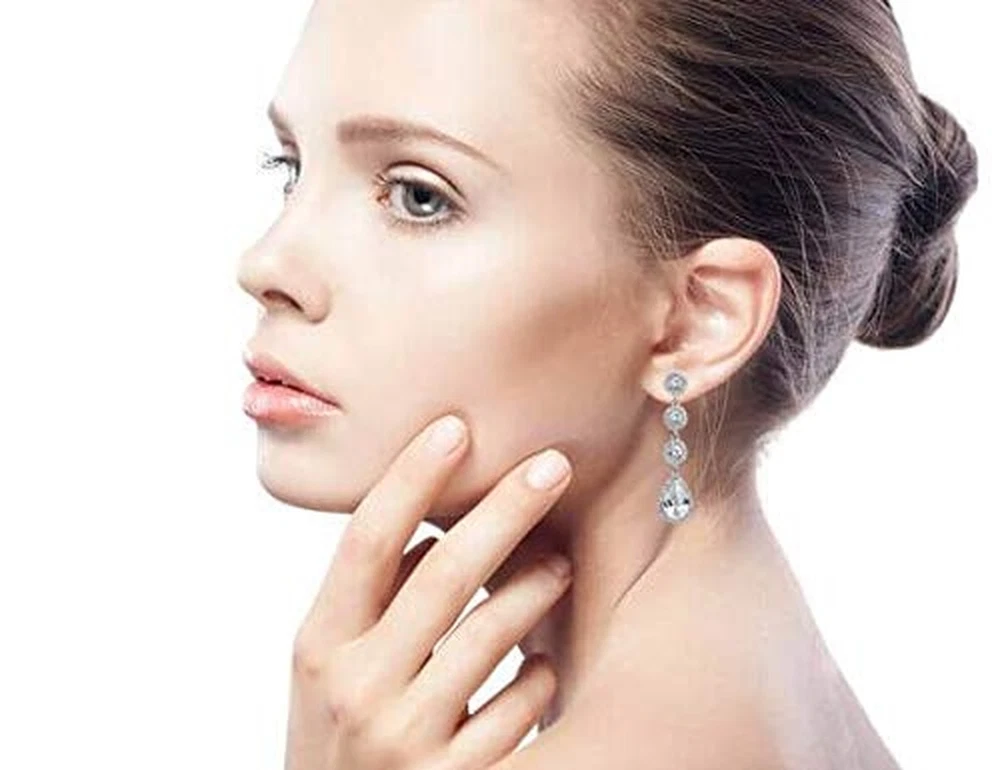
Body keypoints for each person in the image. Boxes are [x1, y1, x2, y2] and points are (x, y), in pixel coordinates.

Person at [236, 1, 979, 768]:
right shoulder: (769, 685)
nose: (266, 265)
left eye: (419, 196)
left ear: (697, 319)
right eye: (290, 168)